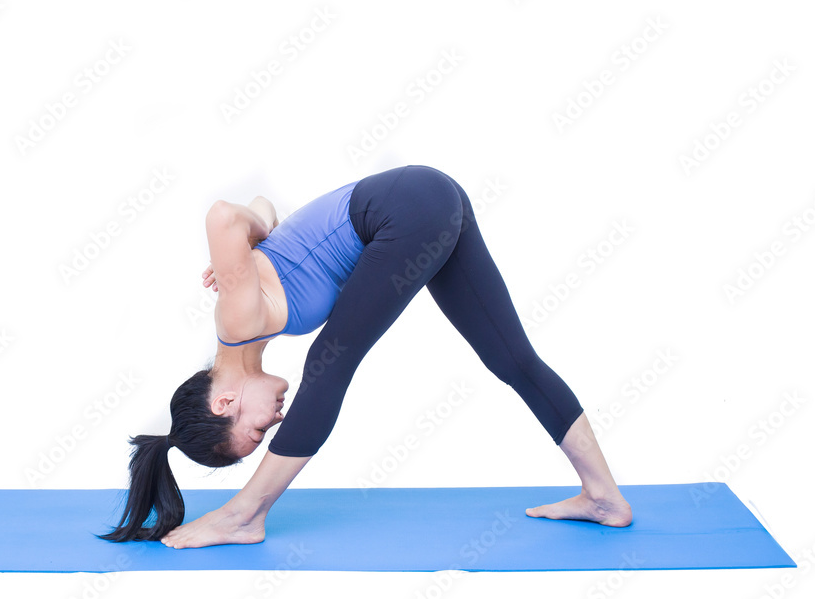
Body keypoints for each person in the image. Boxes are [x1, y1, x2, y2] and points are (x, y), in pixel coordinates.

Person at [98, 164, 632, 547]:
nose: (275, 424)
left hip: (409, 207)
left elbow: (223, 214)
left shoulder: (236, 321)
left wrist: (243, 247)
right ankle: (604, 497)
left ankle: (244, 512)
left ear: (224, 403)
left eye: (258, 432)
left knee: (330, 360)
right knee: (510, 358)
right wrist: (255, 242)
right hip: (428, 200)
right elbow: (261, 207)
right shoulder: (249, 327)